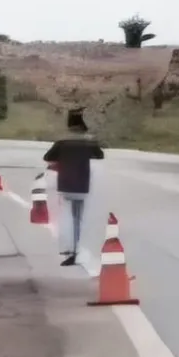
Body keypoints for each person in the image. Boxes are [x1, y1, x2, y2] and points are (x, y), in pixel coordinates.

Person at [42, 108, 104, 266]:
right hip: (82, 184)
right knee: (78, 217)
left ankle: (68, 248)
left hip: (65, 183)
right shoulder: (88, 141)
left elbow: (48, 157)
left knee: (67, 217)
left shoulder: (62, 141)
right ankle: (76, 248)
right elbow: (99, 155)